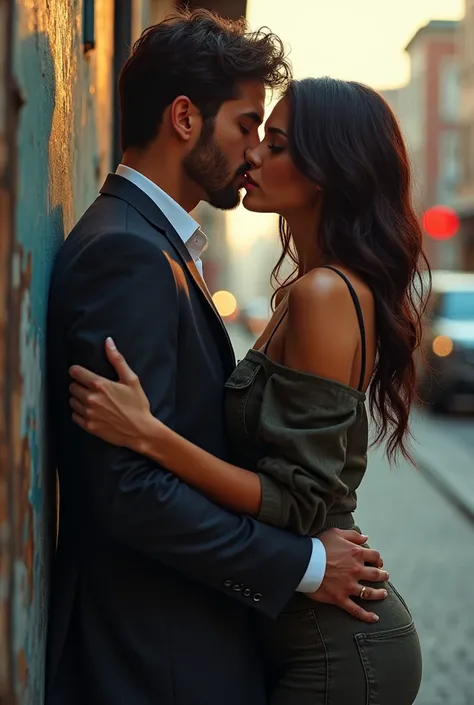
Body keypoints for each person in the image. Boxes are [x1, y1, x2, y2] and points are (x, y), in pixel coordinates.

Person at [46, 12, 388, 705]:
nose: (254, 150)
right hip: (154, 656)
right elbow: (130, 494)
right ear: (183, 118)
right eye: (247, 123)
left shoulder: (156, 247)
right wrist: (305, 564)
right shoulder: (129, 254)